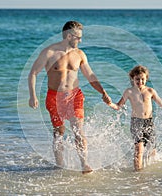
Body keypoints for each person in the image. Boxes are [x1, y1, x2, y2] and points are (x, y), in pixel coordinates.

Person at [28, 21, 111, 174]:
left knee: (78, 130)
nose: (81, 41)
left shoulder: (80, 54)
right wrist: (32, 95)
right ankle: (59, 165)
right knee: (59, 133)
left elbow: (90, 76)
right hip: (54, 97)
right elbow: (33, 73)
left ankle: (84, 164)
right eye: (78, 37)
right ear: (68, 36)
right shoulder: (49, 52)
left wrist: (103, 92)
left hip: (75, 95)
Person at [105, 65, 162, 171]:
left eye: (143, 79)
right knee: (139, 150)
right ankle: (138, 175)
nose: (140, 81)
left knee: (152, 151)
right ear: (133, 78)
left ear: (146, 79)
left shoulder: (150, 91)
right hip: (136, 122)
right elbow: (118, 106)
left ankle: (151, 172)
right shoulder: (129, 92)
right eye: (137, 79)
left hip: (149, 123)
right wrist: (109, 103)